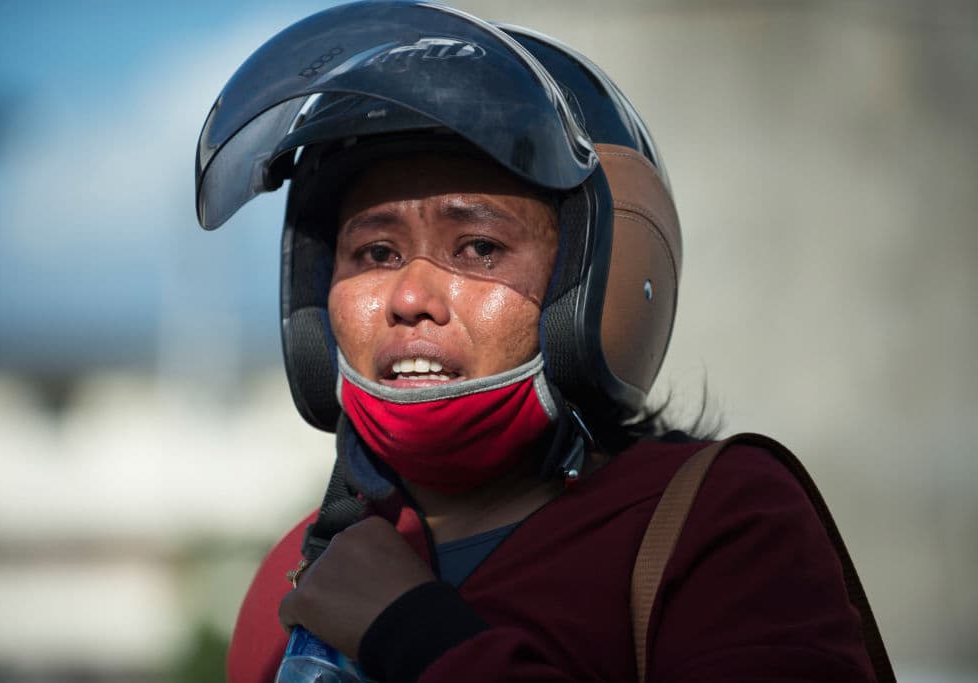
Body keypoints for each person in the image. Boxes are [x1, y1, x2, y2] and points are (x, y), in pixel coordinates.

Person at [194, 2, 889, 681]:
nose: (409, 298)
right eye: (375, 254)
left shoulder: (717, 524)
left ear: (594, 282)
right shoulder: (290, 583)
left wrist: (413, 632)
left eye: (478, 247)